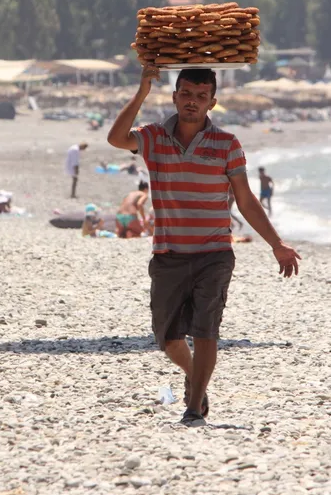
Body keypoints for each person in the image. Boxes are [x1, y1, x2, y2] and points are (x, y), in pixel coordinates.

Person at [107, 66, 300, 428]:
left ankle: (194, 405)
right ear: (175, 96)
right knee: (167, 337)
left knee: (205, 329)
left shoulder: (227, 144)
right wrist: (142, 90)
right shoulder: (152, 137)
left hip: (214, 254)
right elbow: (117, 138)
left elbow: (245, 199)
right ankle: (196, 376)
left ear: (212, 102)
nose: (192, 102)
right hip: (168, 253)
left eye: (200, 96)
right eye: (186, 94)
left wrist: (277, 244)